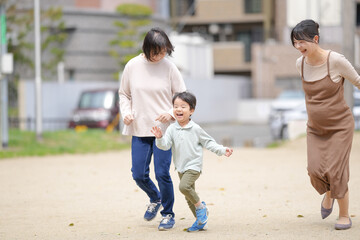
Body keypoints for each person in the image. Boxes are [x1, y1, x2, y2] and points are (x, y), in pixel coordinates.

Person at [291, 19, 360, 230]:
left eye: (302, 42)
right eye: (295, 42)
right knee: (314, 170)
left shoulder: (336, 61)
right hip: (315, 128)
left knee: (337, 171)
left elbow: (358, 81)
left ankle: (344, 215)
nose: (299, 47)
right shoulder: (300, 63)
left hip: (340, 126)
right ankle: (328, 193)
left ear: (315, 39)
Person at [118, 27, 186, 231]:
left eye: (164, 51)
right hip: (139, 128)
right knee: (138, 174)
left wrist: (172, 113)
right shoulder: (132, 66)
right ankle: (155, 198)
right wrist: (126, 112)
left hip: (163, 130)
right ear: (146, 49)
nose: (161, 55)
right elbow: (124, 94)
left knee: (162, 173)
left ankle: (168, 214)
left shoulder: (170, 68)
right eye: (157, 51)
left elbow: (182, 96)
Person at [151, 91, 233, 232]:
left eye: (183, 106)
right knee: (189, 197)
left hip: (194, 166)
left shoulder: (195, 128)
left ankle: (201, 208)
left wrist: (222, 150)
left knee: (183, 187)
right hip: (181, 167)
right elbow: (165, 146)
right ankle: (200, 221)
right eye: (176, 106)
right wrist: (159, 138)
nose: (178, 109)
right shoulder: (171, 129)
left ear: (191, 110)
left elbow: (209, 143)